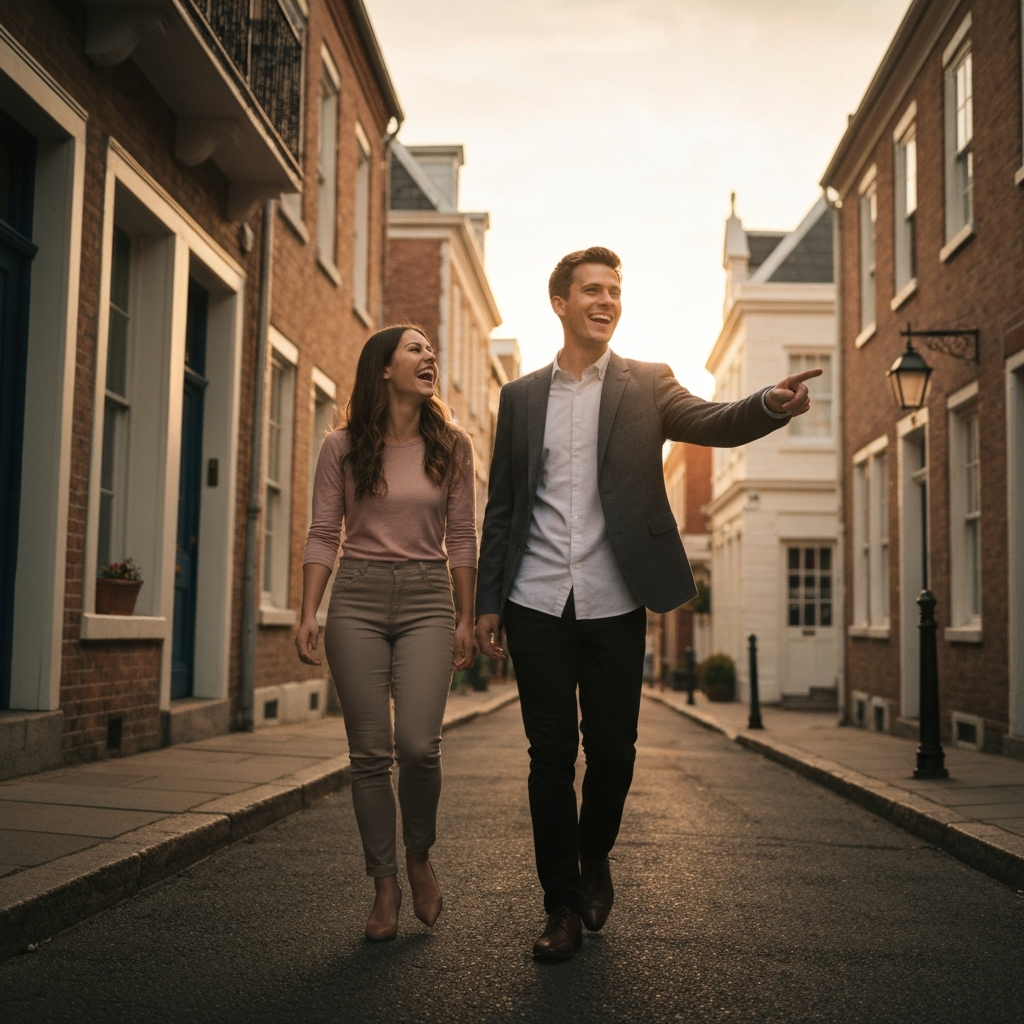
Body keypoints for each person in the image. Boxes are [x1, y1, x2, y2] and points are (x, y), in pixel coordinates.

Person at [474, 247, 820, 961]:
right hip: (537, 598)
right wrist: (488, 603)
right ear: (560, 304)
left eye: (615, 291)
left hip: (613, 599)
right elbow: (503, 508)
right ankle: (561, 905)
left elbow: (712, 420)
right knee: (548, 756)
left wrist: (769, 406)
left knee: (613, 752)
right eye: (592, 290)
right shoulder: (521, 398)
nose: (606, 301)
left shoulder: (647, 384)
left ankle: (595, 850)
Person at [297, 324, 477, 942]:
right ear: (383, 368)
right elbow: (324, 532)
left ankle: (419, 854)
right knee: (369, 754)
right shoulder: (341, 446)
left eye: (432, 347)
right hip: (358, 599)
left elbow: (462, 536)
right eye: (416, 348)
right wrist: (307, 611)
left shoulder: (452, 445)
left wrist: (464, 617)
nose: (430, 355)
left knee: (420, 746)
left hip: (428, 598)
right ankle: (384, 885)